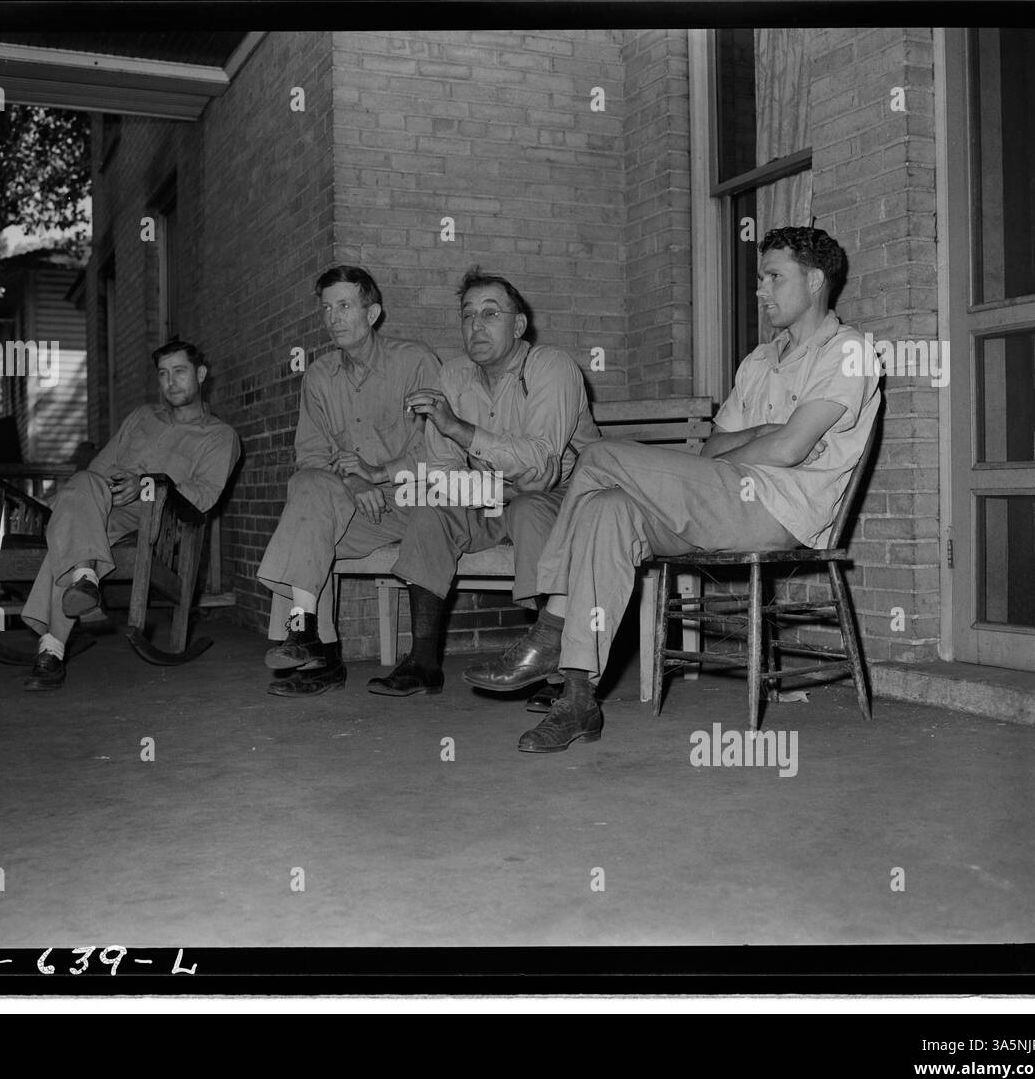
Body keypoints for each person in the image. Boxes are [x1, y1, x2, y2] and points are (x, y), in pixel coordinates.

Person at [465, 227, 881, 752]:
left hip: (779, 512)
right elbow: (714, 452)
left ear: (816, 280)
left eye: (775, 277)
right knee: (608, 510)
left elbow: (790, 450)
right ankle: (576, 700)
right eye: (759, 278)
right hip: (723, 497)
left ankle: (551, 627)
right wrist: (760, 433)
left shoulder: (849, 352)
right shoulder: (758, 361)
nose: (760, 290)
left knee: (598, 456)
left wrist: (767, 441)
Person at [366, 267, 600, 696]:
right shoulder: (453, 375)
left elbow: (540, 463)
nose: (476, 325)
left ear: (518, 324)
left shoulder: (551, 366)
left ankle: (558, 668)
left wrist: (458, 429)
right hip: (498, 494)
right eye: (468, 315)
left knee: (530, 509)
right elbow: (441, 471)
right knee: (431, 501)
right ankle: (422, 661)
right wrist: (502, 488)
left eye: (491, 314)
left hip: (568, 497)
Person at [256, 265, 441, 696]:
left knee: (302, 531)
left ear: (372, 312)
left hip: (416, 503)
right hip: (355, 506)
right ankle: (309, 639)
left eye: (344, 306)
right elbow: (312, 456)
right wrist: (356, 485)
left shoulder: (415, 361)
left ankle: (315, 650)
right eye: (326, 309)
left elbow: (436, 449)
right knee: (306, 499)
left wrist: (377, 475)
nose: (333, 318)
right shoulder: (319, 376)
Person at [22, 339, 241, 690]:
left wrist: (147, 486)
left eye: (180, 372)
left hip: (155, 521)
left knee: (68, 533)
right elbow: (98, 468)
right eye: (164, 374)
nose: (171, 382)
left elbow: (205, 496)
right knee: (80, 487)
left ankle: (53, 646)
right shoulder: (141, 417)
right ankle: (83, 585)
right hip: (104, 507)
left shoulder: (219, 437)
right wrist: (111, 487)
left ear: (200, 375)